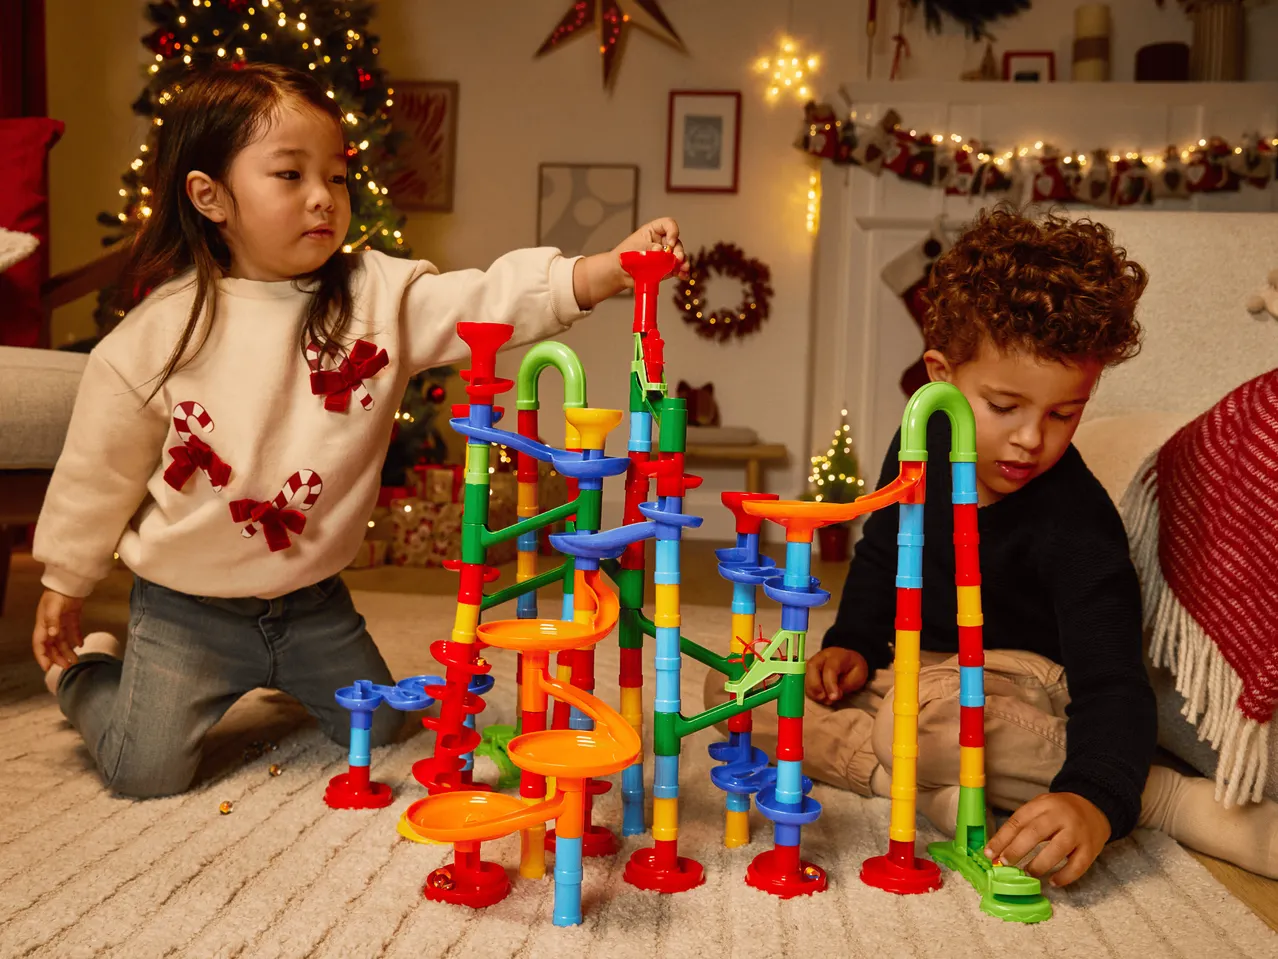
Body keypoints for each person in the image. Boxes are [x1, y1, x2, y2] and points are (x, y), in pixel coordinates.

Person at [31, 62, 688, 799]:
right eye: (290, 175)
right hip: (188, 611)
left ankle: (288, 673)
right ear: (209, 195)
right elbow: (100, 469)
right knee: (141, 772)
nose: (324, 197)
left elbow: (485, 297)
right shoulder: (157, 338)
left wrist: (600, 271)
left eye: (337, 176)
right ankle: (86, 671)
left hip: (314, 604)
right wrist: (66, 579)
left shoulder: (378, 295)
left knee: (389, 730)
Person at [705, 207, 1278, 883]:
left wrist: (1094, 796)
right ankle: (934, 794)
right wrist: (852, 644)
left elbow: (1114, 681)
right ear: (941, 378)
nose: (1032, 438)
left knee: (914, 723)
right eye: (1004, 406)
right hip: (915, 675)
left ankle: (1156, 794)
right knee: (737, 686)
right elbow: (883, 552)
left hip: (1021, 690)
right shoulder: (918, 446)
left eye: (1063, 412)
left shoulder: (1077, 519)